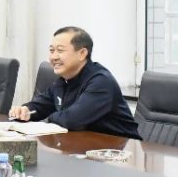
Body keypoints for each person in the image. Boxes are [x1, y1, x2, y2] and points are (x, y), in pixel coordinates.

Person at [8, 26, 140, 138]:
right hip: (83, 146)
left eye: (60, 50)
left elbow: (72, 120)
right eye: (51, 50)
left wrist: (49, 119)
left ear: (82, 54)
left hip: (121, 151)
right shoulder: (63, 80)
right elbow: (41, 106)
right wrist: (25, 110)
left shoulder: (101, 82)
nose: (54, 57)